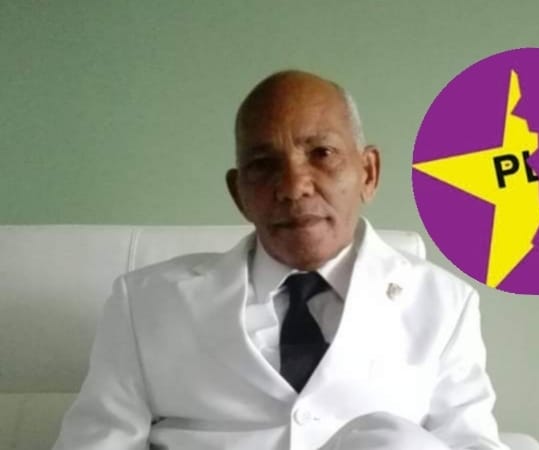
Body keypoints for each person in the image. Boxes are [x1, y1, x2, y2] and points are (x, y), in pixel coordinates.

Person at [52, 70, 509, 450]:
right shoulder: (146, 304)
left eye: (322, 154)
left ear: (368, 173)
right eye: (264, 164)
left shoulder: (445, 305)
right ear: (239, 193)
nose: (293, 186)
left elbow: (471, 441)